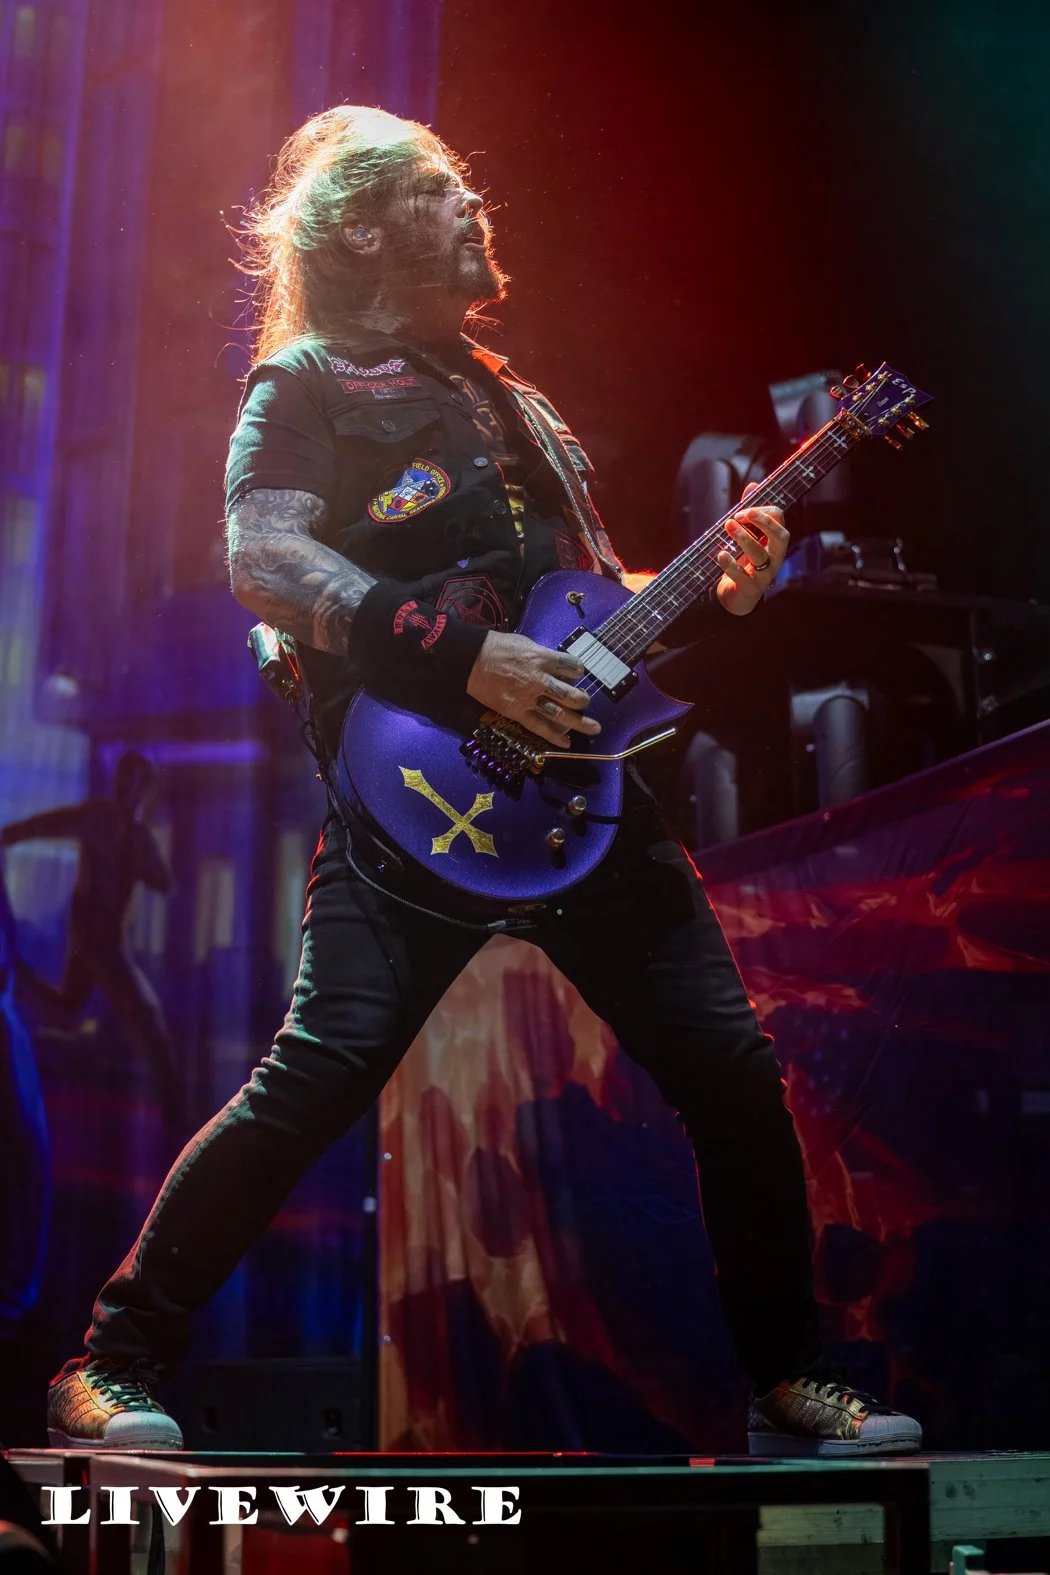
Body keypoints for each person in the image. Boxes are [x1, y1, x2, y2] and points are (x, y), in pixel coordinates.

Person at [46, 106, 921, 1456]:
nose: (475, 207)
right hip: (414, 808)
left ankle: (789, 1381)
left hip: (577, 807)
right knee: (316, 1075)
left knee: (734, 1078)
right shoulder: (306, 385)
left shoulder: (519, 403)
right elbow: (267, 561)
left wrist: (715, 585)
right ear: (363, 228)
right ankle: (109, 1360)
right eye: (442, 190)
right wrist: (465, 660)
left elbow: (588, 615)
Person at [1, 752, 183, 1139]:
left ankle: (15, 976)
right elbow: (47, 824)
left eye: (135, 781)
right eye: (124, 779)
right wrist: (9, 836)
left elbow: (163, 882)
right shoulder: (99, 818)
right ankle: (176, 1116)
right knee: (146, 1017)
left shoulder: (135, 836)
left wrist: (144, 857)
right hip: (95, 938)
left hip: (101, 938)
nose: (127, 788)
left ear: (145, 789)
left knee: (68, 1012)